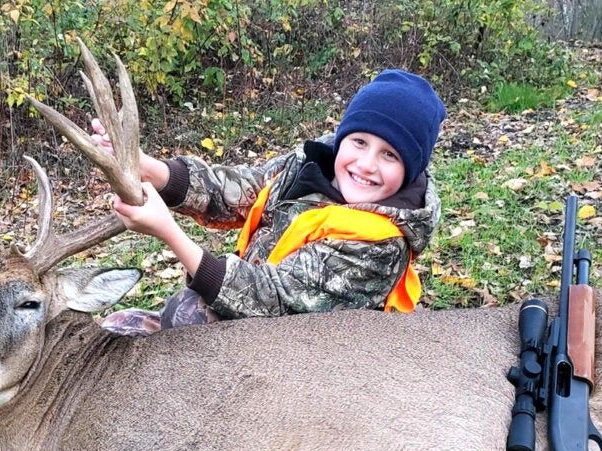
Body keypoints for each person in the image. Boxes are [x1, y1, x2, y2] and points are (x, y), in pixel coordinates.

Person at [97, 69, 446, 336]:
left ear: (410, 169)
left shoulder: (380, 244)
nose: (366, 164)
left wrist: (170, 233)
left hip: (303, 355)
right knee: (117, 326)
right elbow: (242, 189)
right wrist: (151, 170)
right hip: (249, 316)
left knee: (188, 317)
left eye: (389, 155)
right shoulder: (311, 164)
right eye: (359, 142)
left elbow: (272, 297)